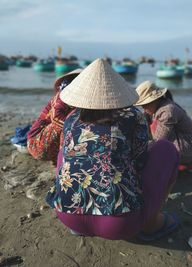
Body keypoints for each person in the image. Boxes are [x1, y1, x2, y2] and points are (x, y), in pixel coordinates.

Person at [28, 59, 179, 241]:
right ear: (117, 92)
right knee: (166, 149)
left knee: (65, 153)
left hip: (67, 215)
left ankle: (81, 223)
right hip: (119, 223)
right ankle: (151, 223)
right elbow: (140, 163)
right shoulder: (133, 115)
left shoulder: (71, 118)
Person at [135, 81, 192, 172]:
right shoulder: (155, 109)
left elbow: (159, 141)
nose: (143, 108)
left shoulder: (167, 112)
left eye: (145, 105)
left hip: (188, 152)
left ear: (155, 100)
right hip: (183, 148)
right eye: (142, 106)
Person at [27, 69, 82, 165]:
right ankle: (61, 161)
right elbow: (56, 118)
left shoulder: (77, 100)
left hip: (48, 143)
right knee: (66, 125)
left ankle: (59, 159)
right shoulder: (62, 96)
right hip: (36, 143)